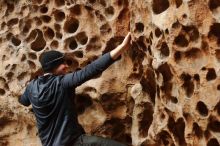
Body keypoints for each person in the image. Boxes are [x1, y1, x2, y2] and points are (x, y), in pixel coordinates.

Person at [19, 32, 131, 146]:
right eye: (62, 63)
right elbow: (91, 70)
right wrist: (121, 48)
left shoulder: (31, 87)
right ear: (53, 67)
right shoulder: (62, 83)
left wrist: (28, 88)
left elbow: (23, 101)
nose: (66, 66)